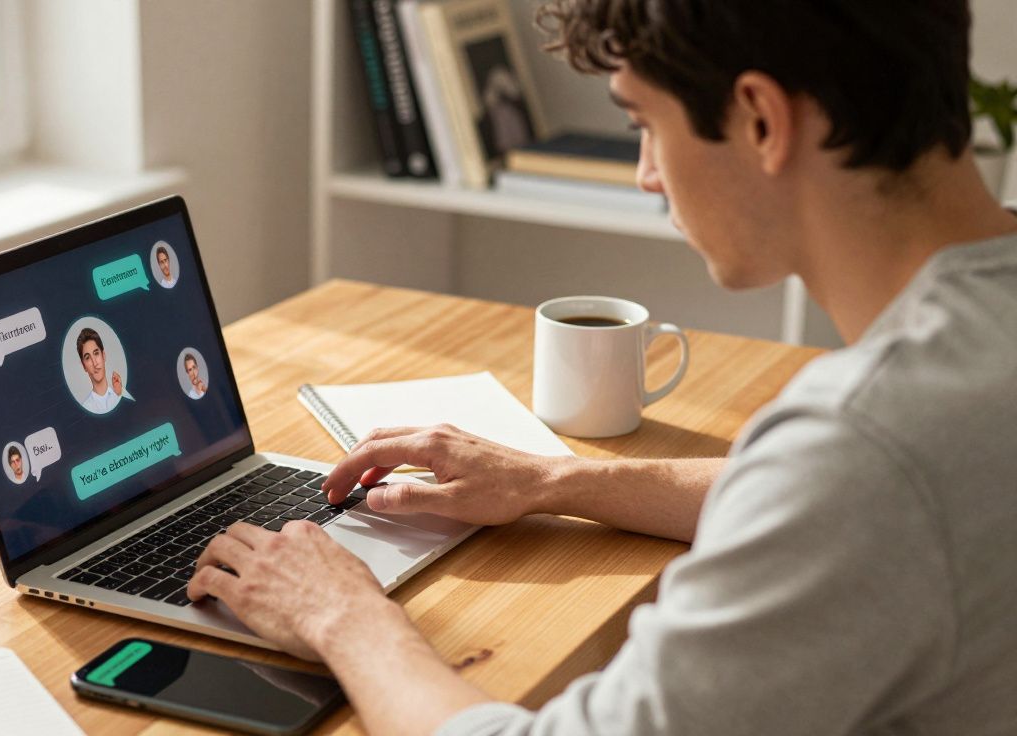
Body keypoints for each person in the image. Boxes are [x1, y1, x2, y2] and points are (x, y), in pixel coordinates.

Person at [185, 1, 1017, 734]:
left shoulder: (865, 443)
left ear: (762, 119)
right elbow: (839, 503)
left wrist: (344, 616)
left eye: (644, 124)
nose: (648, 174)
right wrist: (555, 481)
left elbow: (846, 489)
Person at [77, 328, 123, 414]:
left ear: (103, 356)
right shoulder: (86, 408)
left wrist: (119, 395)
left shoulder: (119, 395)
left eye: (96, 353)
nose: (94, 363)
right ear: (84, 366)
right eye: (87, 358)